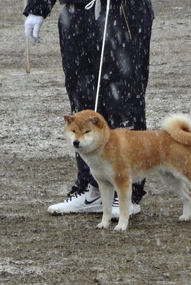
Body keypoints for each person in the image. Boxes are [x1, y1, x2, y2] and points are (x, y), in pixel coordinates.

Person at [23, 0, 154, 216]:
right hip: (77, 14)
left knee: (123, 99)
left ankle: (126, 192)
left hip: (123, 13)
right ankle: (92, 187)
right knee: (82, 97)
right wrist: (38, 6)